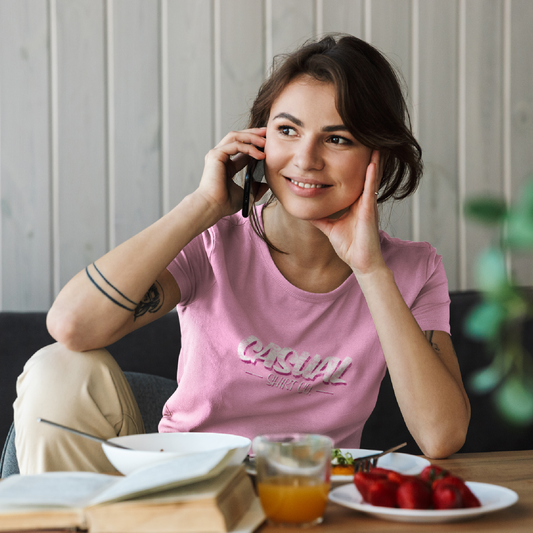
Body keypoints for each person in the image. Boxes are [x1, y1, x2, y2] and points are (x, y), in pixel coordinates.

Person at [14, 34, 470, 474]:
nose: (306, 158)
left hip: (304, 496)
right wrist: (203, 205)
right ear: (259, 140)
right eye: (287, 130)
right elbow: (70, 325)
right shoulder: (214, 244)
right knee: (57, 367)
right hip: (186, 488)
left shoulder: (413, 270)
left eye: (337, 139)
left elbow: (441, 435)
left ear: (379, 158)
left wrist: (369, 269)